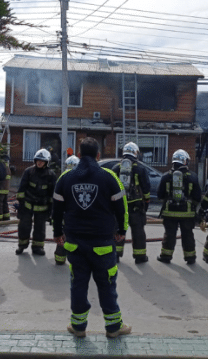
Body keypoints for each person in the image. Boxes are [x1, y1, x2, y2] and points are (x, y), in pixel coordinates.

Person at [52, 137, 131, 338]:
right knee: (107, 285)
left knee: (78, 284)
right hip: (102, 244)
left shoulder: (66, 178)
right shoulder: (109, 177)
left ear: (78, 155)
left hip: (75, 244)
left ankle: (78, 327)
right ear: (98, 155)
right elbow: (121, 208)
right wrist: (122, 230)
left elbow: (57, 210)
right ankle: (113, 328)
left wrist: (57, 233)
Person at [156, 149, 202, 265]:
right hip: (187, 213)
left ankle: (166, 257)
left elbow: (159, 195)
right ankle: (190, 258)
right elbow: (197, 196)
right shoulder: (193, 176)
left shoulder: (166, 176)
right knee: (188, 235)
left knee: (169, 234)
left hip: (169, 212)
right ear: (186, 161)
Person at [112, 142, 151, 264]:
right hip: (136, 206)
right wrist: (146, 203)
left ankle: (115, 255)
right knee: (138, 231)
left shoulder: (116, 168)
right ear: (136, 153)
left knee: (118, 230)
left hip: (119, 206)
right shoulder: (140, 169)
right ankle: (140, 257)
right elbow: (146, 189)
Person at [15, 149, 57, 256]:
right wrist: (21, 204)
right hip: (27, 204)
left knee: (40, 228)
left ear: (47, 162)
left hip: (42, 207)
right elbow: (21, 189)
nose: (39, 162)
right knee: (24, 226)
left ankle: (38, 247)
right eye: (38, 160)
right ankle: (22, 246)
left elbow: (53, 193)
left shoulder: (51, 175)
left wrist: (51, 210)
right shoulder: (28, 171)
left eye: (42, 161)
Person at [53, 155, 80, 265]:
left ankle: (60, 258)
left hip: (65, 213)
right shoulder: (80, 180)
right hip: (74, 214)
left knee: (63, 235)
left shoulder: (62, 179)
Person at [0, 153, 12, 221]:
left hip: (0, 189)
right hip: (5, 189)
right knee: (5, 203)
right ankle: (6, 217)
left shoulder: (1, 167)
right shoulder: (7, 167)